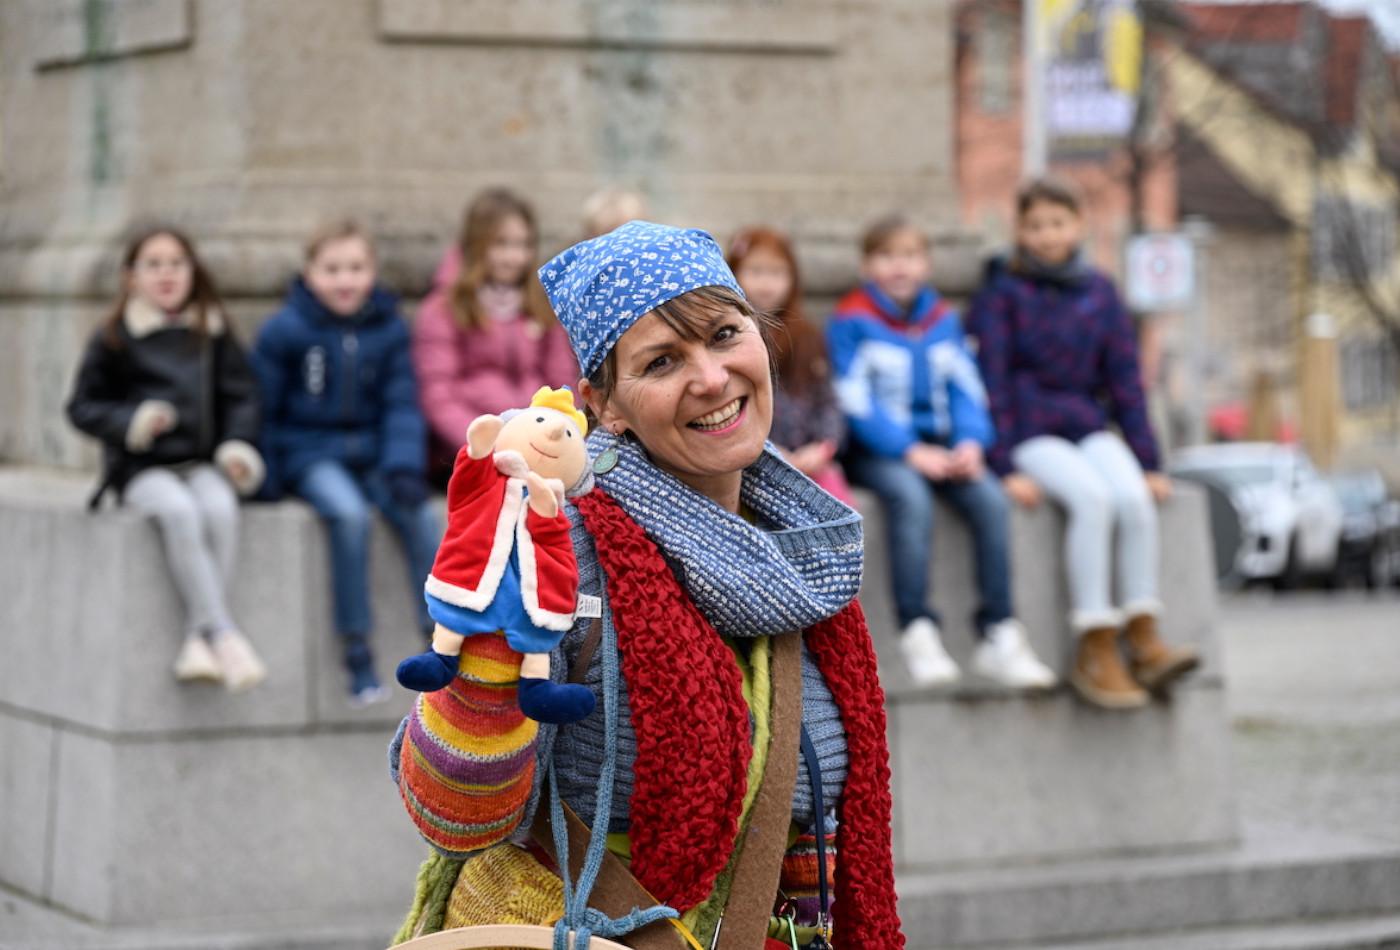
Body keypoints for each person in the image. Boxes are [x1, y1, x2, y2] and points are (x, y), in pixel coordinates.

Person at [391, 222, 904, 949]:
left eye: (725, 334)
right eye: (662, 361)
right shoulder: (555, 542)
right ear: (602, 405)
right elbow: (452, 812)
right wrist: (488, 657)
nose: (711, 378)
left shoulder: (804, 560)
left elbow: (799, 828)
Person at [966, 177, 1199, 710]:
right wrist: (1002, 467)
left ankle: (1142, 636)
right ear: (1020, 231)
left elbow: (1125, 383)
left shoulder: (1100, 292)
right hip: (1028, 432)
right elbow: (990, 381)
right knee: (1091, 501)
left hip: (1085, 425)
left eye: (1057, 223)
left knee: (1132, 499)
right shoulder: (1002, 294)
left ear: (1079, 227)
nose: (1047, 235)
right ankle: (1094, 647)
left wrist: (1148, 460)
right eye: (1035, 225)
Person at [827, 215, 1056, 690]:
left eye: (910, 257)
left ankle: (999, 631)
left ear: (927, 265)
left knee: (991, 500)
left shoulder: (943, 320)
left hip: (944, 447)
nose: (900, 268)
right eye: (887, 257)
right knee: (911, 498)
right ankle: (918, 629)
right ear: (867, 265)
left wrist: (972, 442)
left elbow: (966, 387)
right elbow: (854, 401)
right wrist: (909, 451)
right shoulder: (850, 321)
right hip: (879, 453)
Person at [66, 224, 268, 691]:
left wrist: (236, 445)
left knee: (219, 509)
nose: (165, 274)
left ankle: (198, 640)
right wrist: (132, 420)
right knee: (179, 513)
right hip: (140, 469)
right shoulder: (116, 336)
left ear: (192, 272)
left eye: (175, 263)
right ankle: (222, 632)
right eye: (152, 264)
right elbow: (83, 407)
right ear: (131, 277)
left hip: (201, 463)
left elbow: (242, 396)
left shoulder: (211, 330)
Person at [253, 220, 441, 706]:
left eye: (356, 268)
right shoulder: (285, 330)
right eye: (332, 269)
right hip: (310, 451)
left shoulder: (388, 328)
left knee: (418, 513)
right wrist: (266, 471)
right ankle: (356, 646)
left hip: (375, 452)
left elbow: (402, 403)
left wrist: (403, 466)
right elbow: (260, 408)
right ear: (309, 273)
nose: (345, 280)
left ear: (372, 272)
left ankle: (440, 636)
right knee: (348, 515)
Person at [412, 188, 578, 481]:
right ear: (477, 246)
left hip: (536, 446)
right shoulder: (442, 309)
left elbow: (563, 386)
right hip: (472, 452)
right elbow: (438, 396)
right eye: (501, 244)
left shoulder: (539, 304)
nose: (514, 256)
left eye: (523, 245)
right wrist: (490, 445)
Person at [727, 226, 853, 504]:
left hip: (811, 458)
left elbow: (828, 400)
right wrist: (768, 447)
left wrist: (823, 447)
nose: (766, 283)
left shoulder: (808, 337)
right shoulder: (727, 339)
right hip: (756, 458)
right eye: (756, 272)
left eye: (776, 273)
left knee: (833, 502)